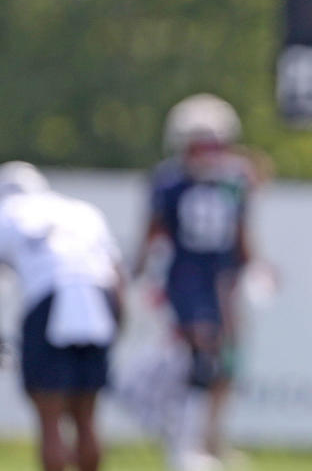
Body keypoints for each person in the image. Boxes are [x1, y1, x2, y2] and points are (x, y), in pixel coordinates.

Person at [131, 93, 260, 470]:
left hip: (222, 279)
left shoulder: (233, 181)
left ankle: (206, 440)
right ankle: (185, 443)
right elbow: (153, 232)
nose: (206, 153)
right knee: (193, 361)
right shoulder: (169, 182)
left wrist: (251, 268)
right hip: (185, 278)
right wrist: (139, 271)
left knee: (222, 364)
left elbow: (241, 232)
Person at [0, 161, 124, 471]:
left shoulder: (7, 213)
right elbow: (117, 276)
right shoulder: (82, 211)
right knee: (87, 417)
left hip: (49, 300)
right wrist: (116, 328)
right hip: (98, 303)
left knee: (50, 419)